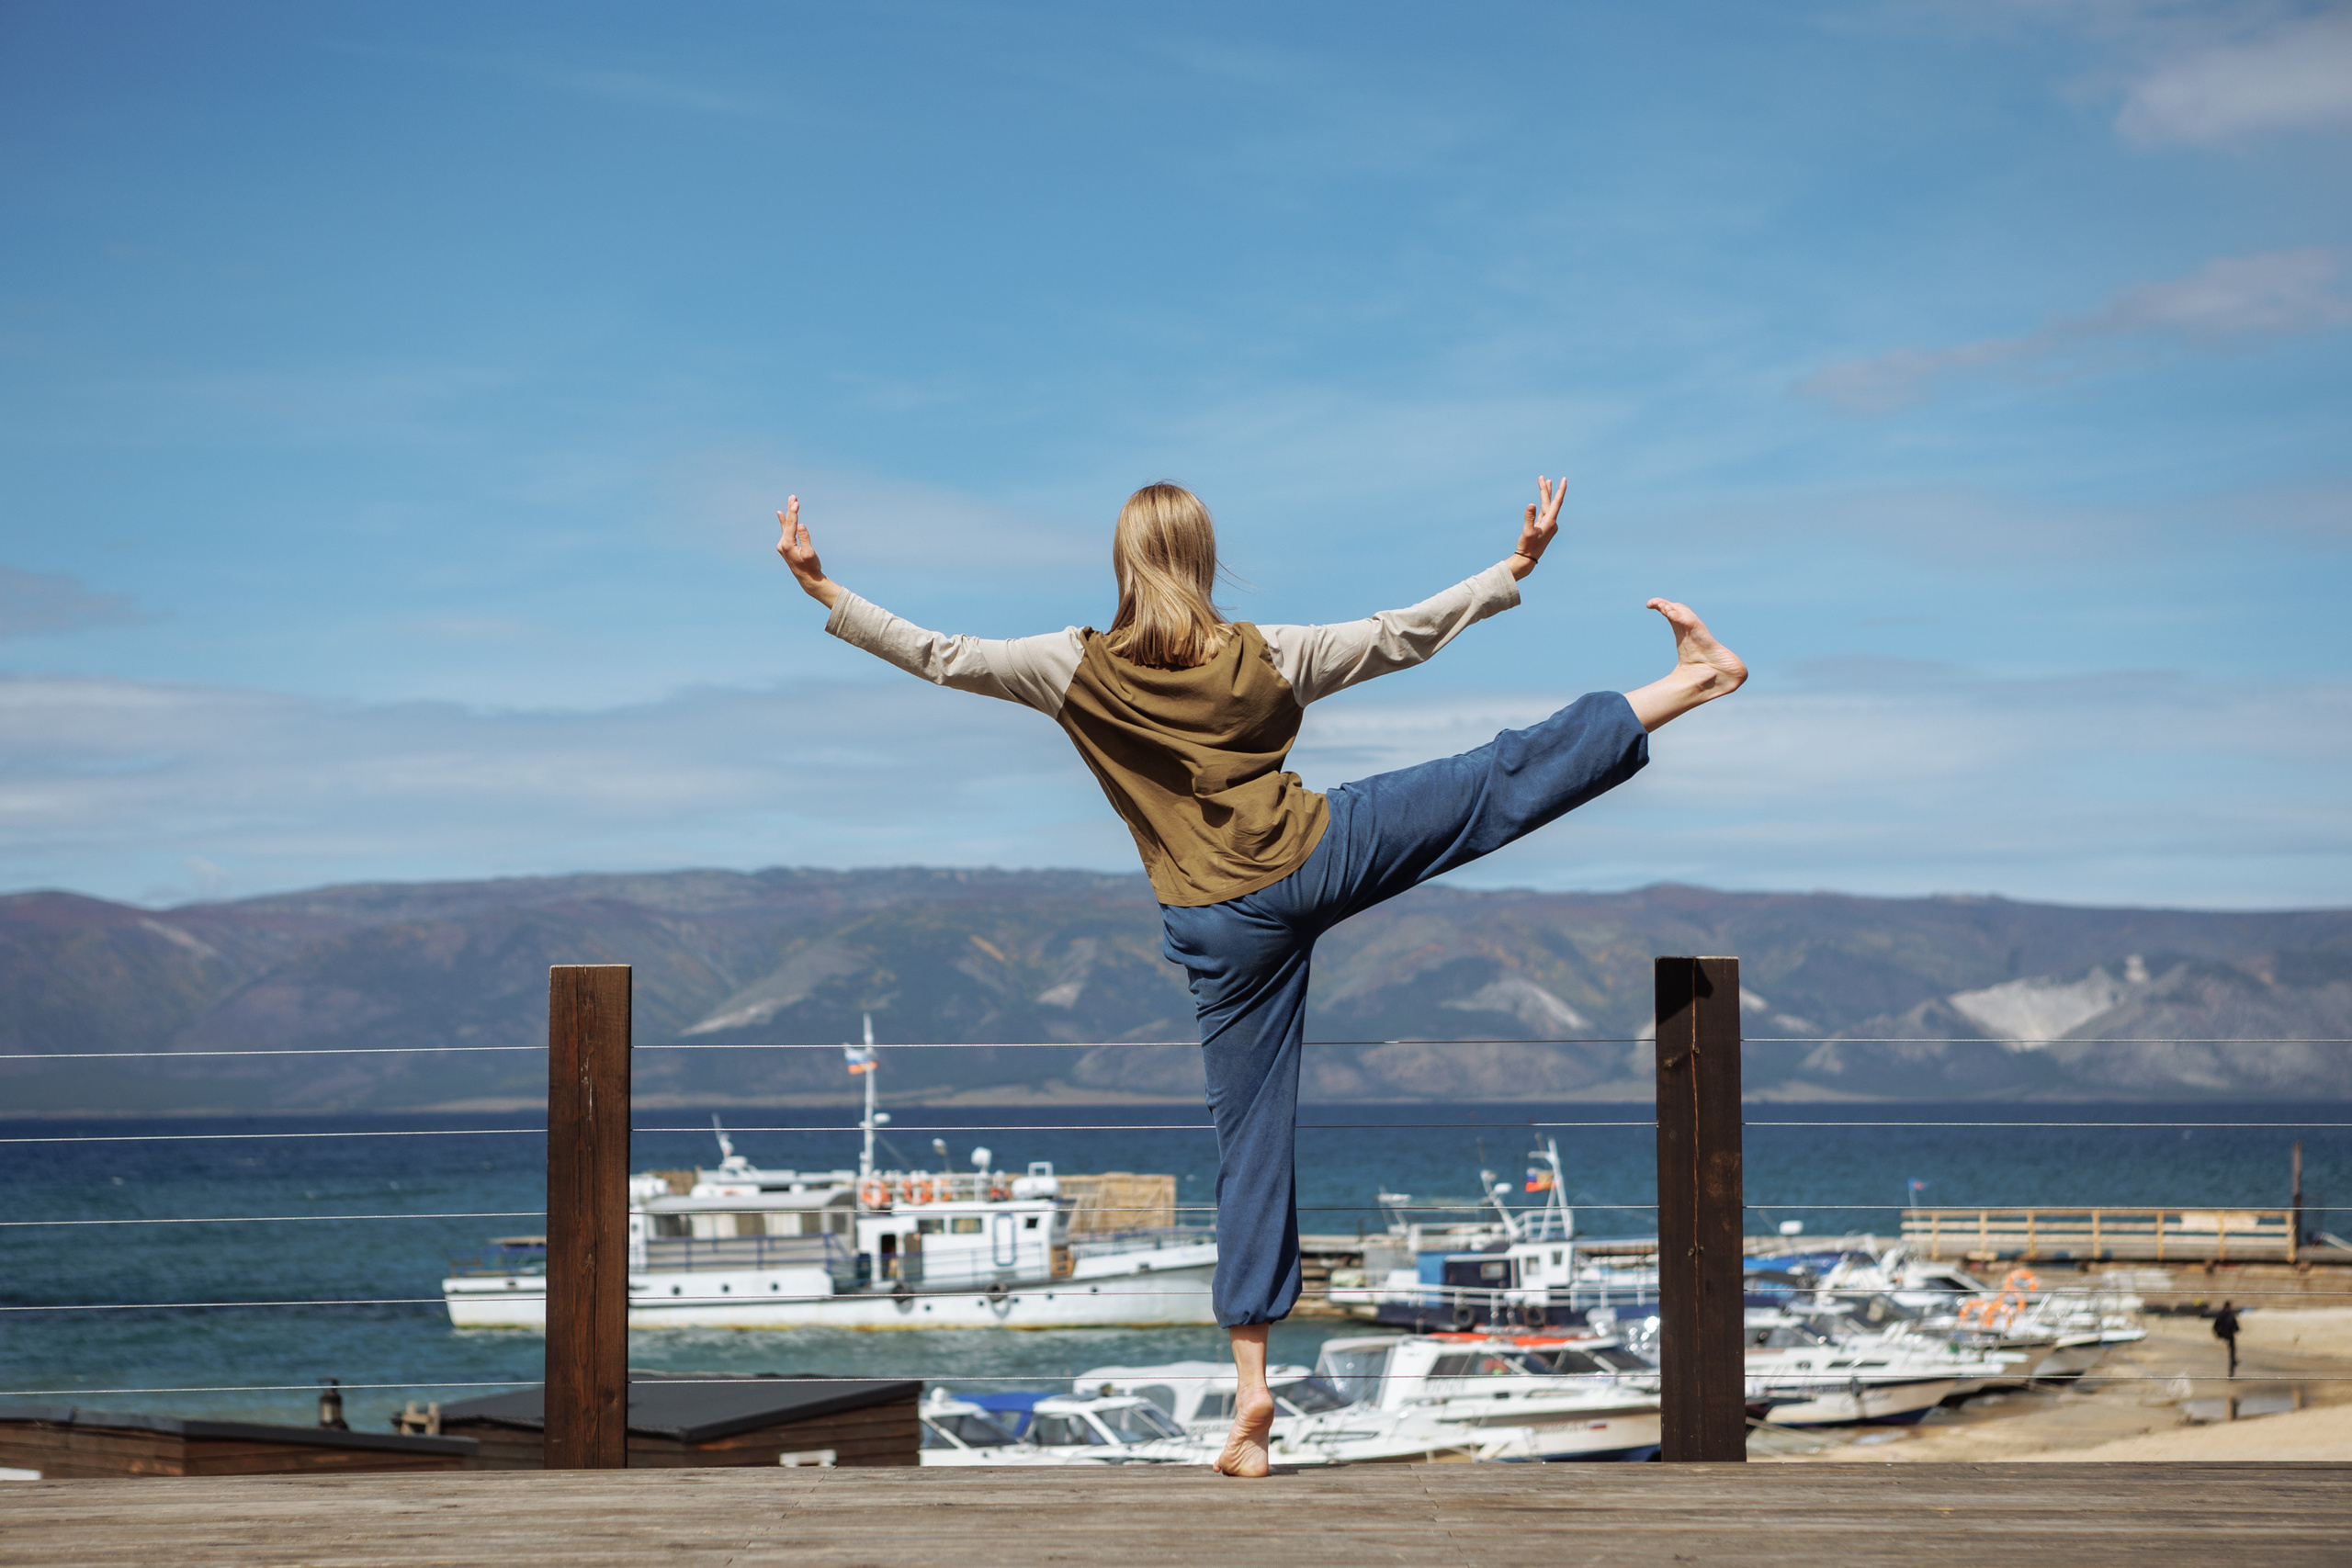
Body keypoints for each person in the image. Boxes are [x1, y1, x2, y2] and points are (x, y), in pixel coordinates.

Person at [775, 478, 1747, 1476]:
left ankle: (1250, 1392)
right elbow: (1402, 636)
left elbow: (940, 654)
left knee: (1250, 1142)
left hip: (1214, 923)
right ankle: (1690, 683)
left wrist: (823, 589)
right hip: (1312, 855)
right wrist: (1512, 569)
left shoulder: (1067, 665)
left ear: (1123, 562)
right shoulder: (1269, 653)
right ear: (1203, 557)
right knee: (1489, 779)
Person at [2213, 1300, 2241, 1378]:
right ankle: (2233, 1362)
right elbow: (2236, 1327)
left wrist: (2218, 1335)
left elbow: (2215, 1326)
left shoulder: (2221, 1314)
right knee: (2232, 1351)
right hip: (2229, 1336)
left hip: (2224, 1335)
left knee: (2232, 1351)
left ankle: (2233, 1363)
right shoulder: (2230, 1315)